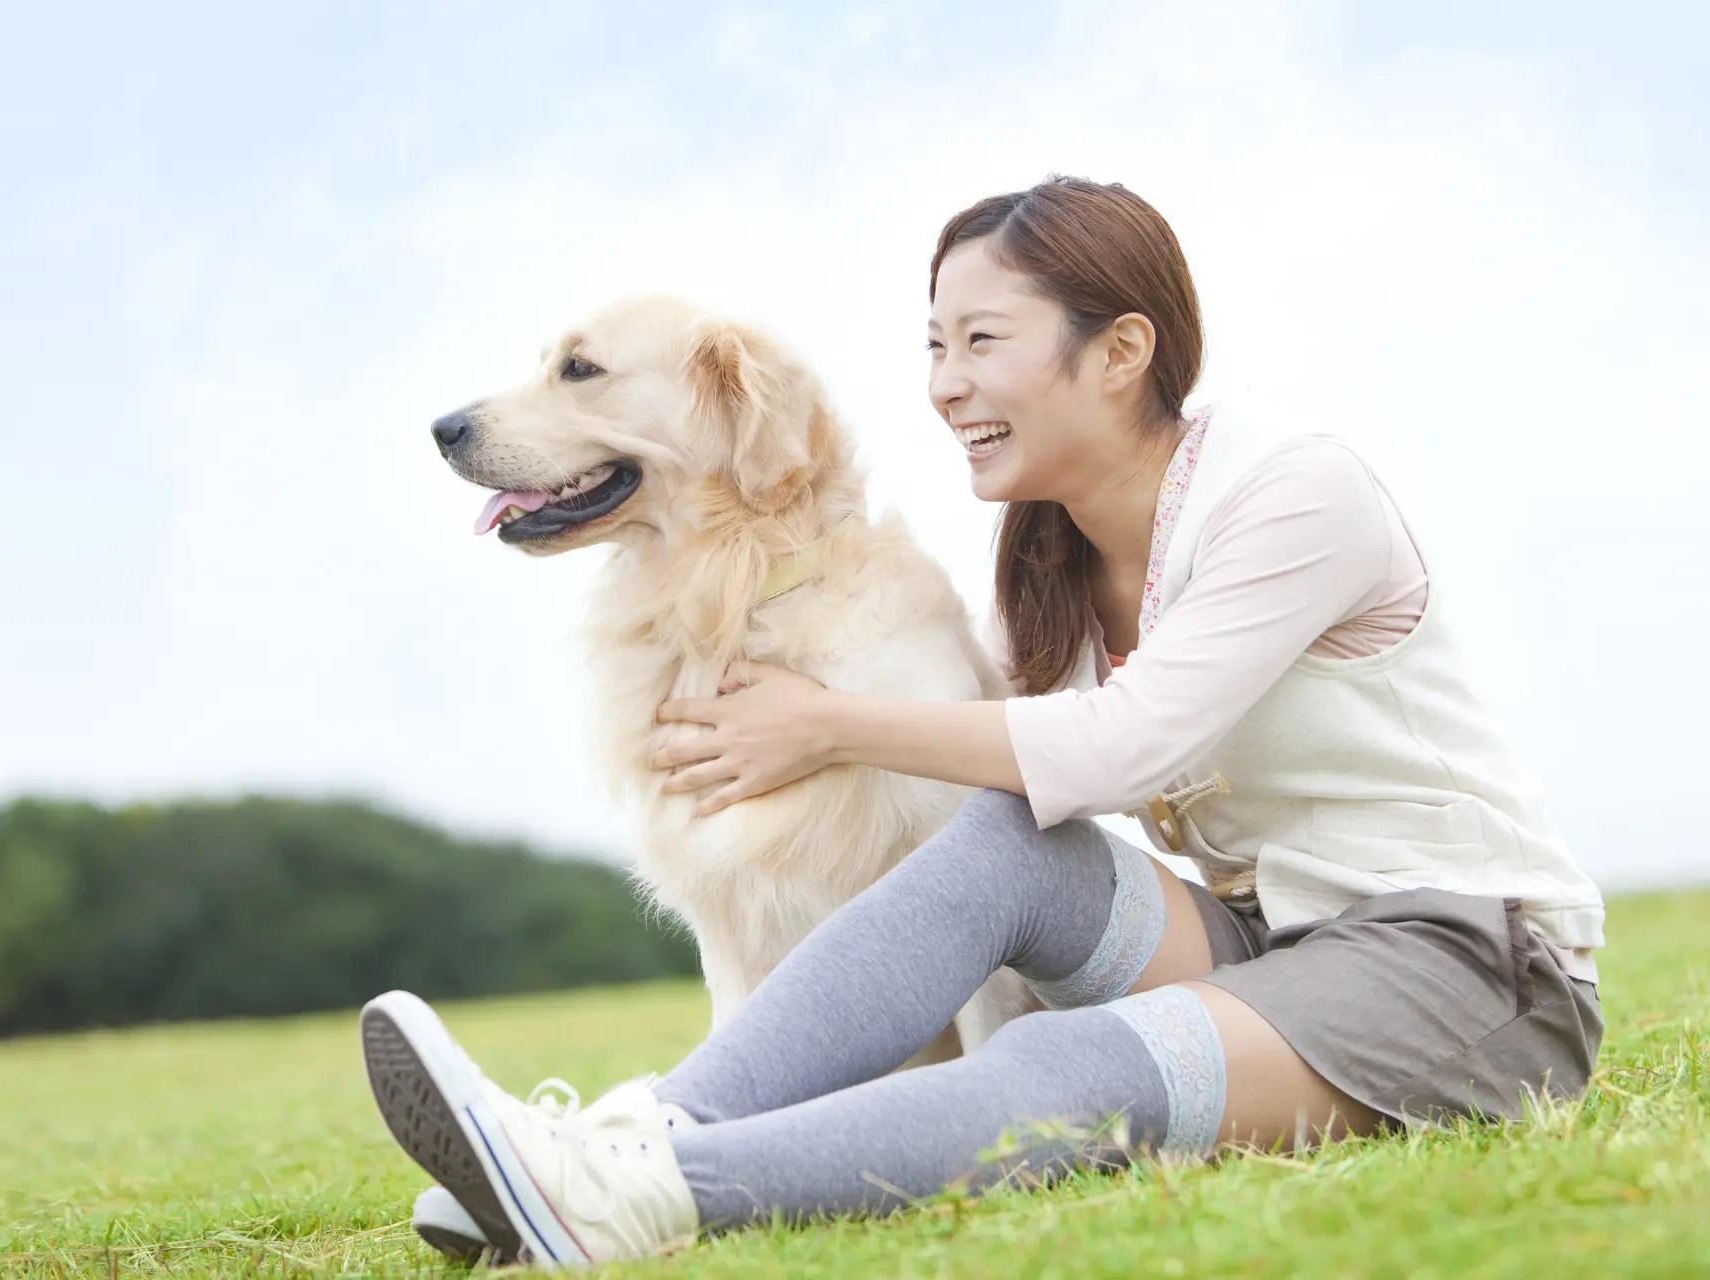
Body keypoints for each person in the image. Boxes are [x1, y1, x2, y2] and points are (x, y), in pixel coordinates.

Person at [360, 175, 1606, 1269]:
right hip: (1263, 943)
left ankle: (635, 1192)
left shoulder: (1297, 495)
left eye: (982, 341)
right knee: (1009, 842)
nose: (945, 383)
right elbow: (1015, 777)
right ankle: (632, 1132)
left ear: (1121, 351)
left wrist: (829, 723)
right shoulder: (1050, 557)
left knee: (1081, 1064)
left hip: (1461, 968)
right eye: (935, 344)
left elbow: (1122, 746)